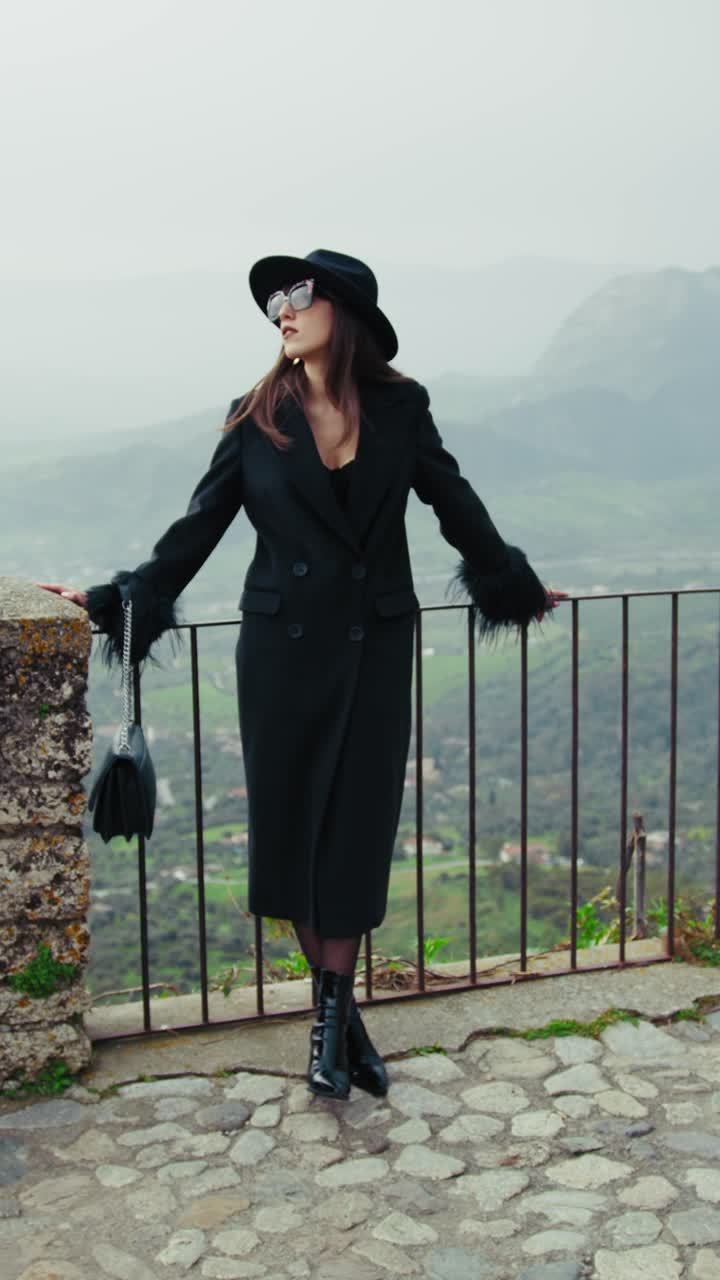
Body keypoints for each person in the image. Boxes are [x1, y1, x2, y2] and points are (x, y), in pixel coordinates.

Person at [37, 247, 567, 1103]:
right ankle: (336, 1018)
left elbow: (454, 501)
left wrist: (511, 581)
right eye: (274, 302)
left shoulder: (400, 406)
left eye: (297, 296)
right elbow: (196, 529)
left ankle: (330, 1017)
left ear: (344, 311)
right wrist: (114, 600)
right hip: (281, 654)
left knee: (355, 831)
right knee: (292, 830)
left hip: (376, 648)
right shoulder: (256, 415)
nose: (281, 311)